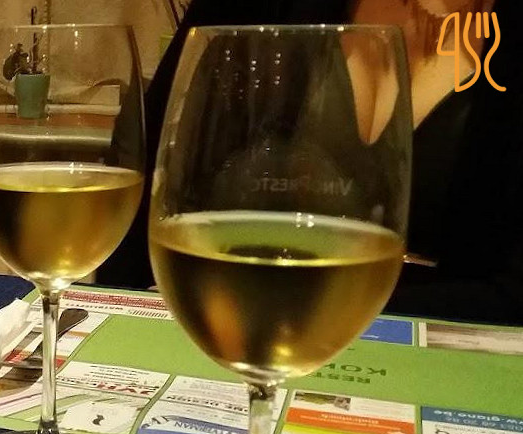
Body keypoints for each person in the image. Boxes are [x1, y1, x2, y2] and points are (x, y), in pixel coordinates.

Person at [96, 0, 523, 325]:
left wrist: (290, 303)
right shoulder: (251, 8)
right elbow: (138, 199)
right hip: (227, 345)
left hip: (455, 370)